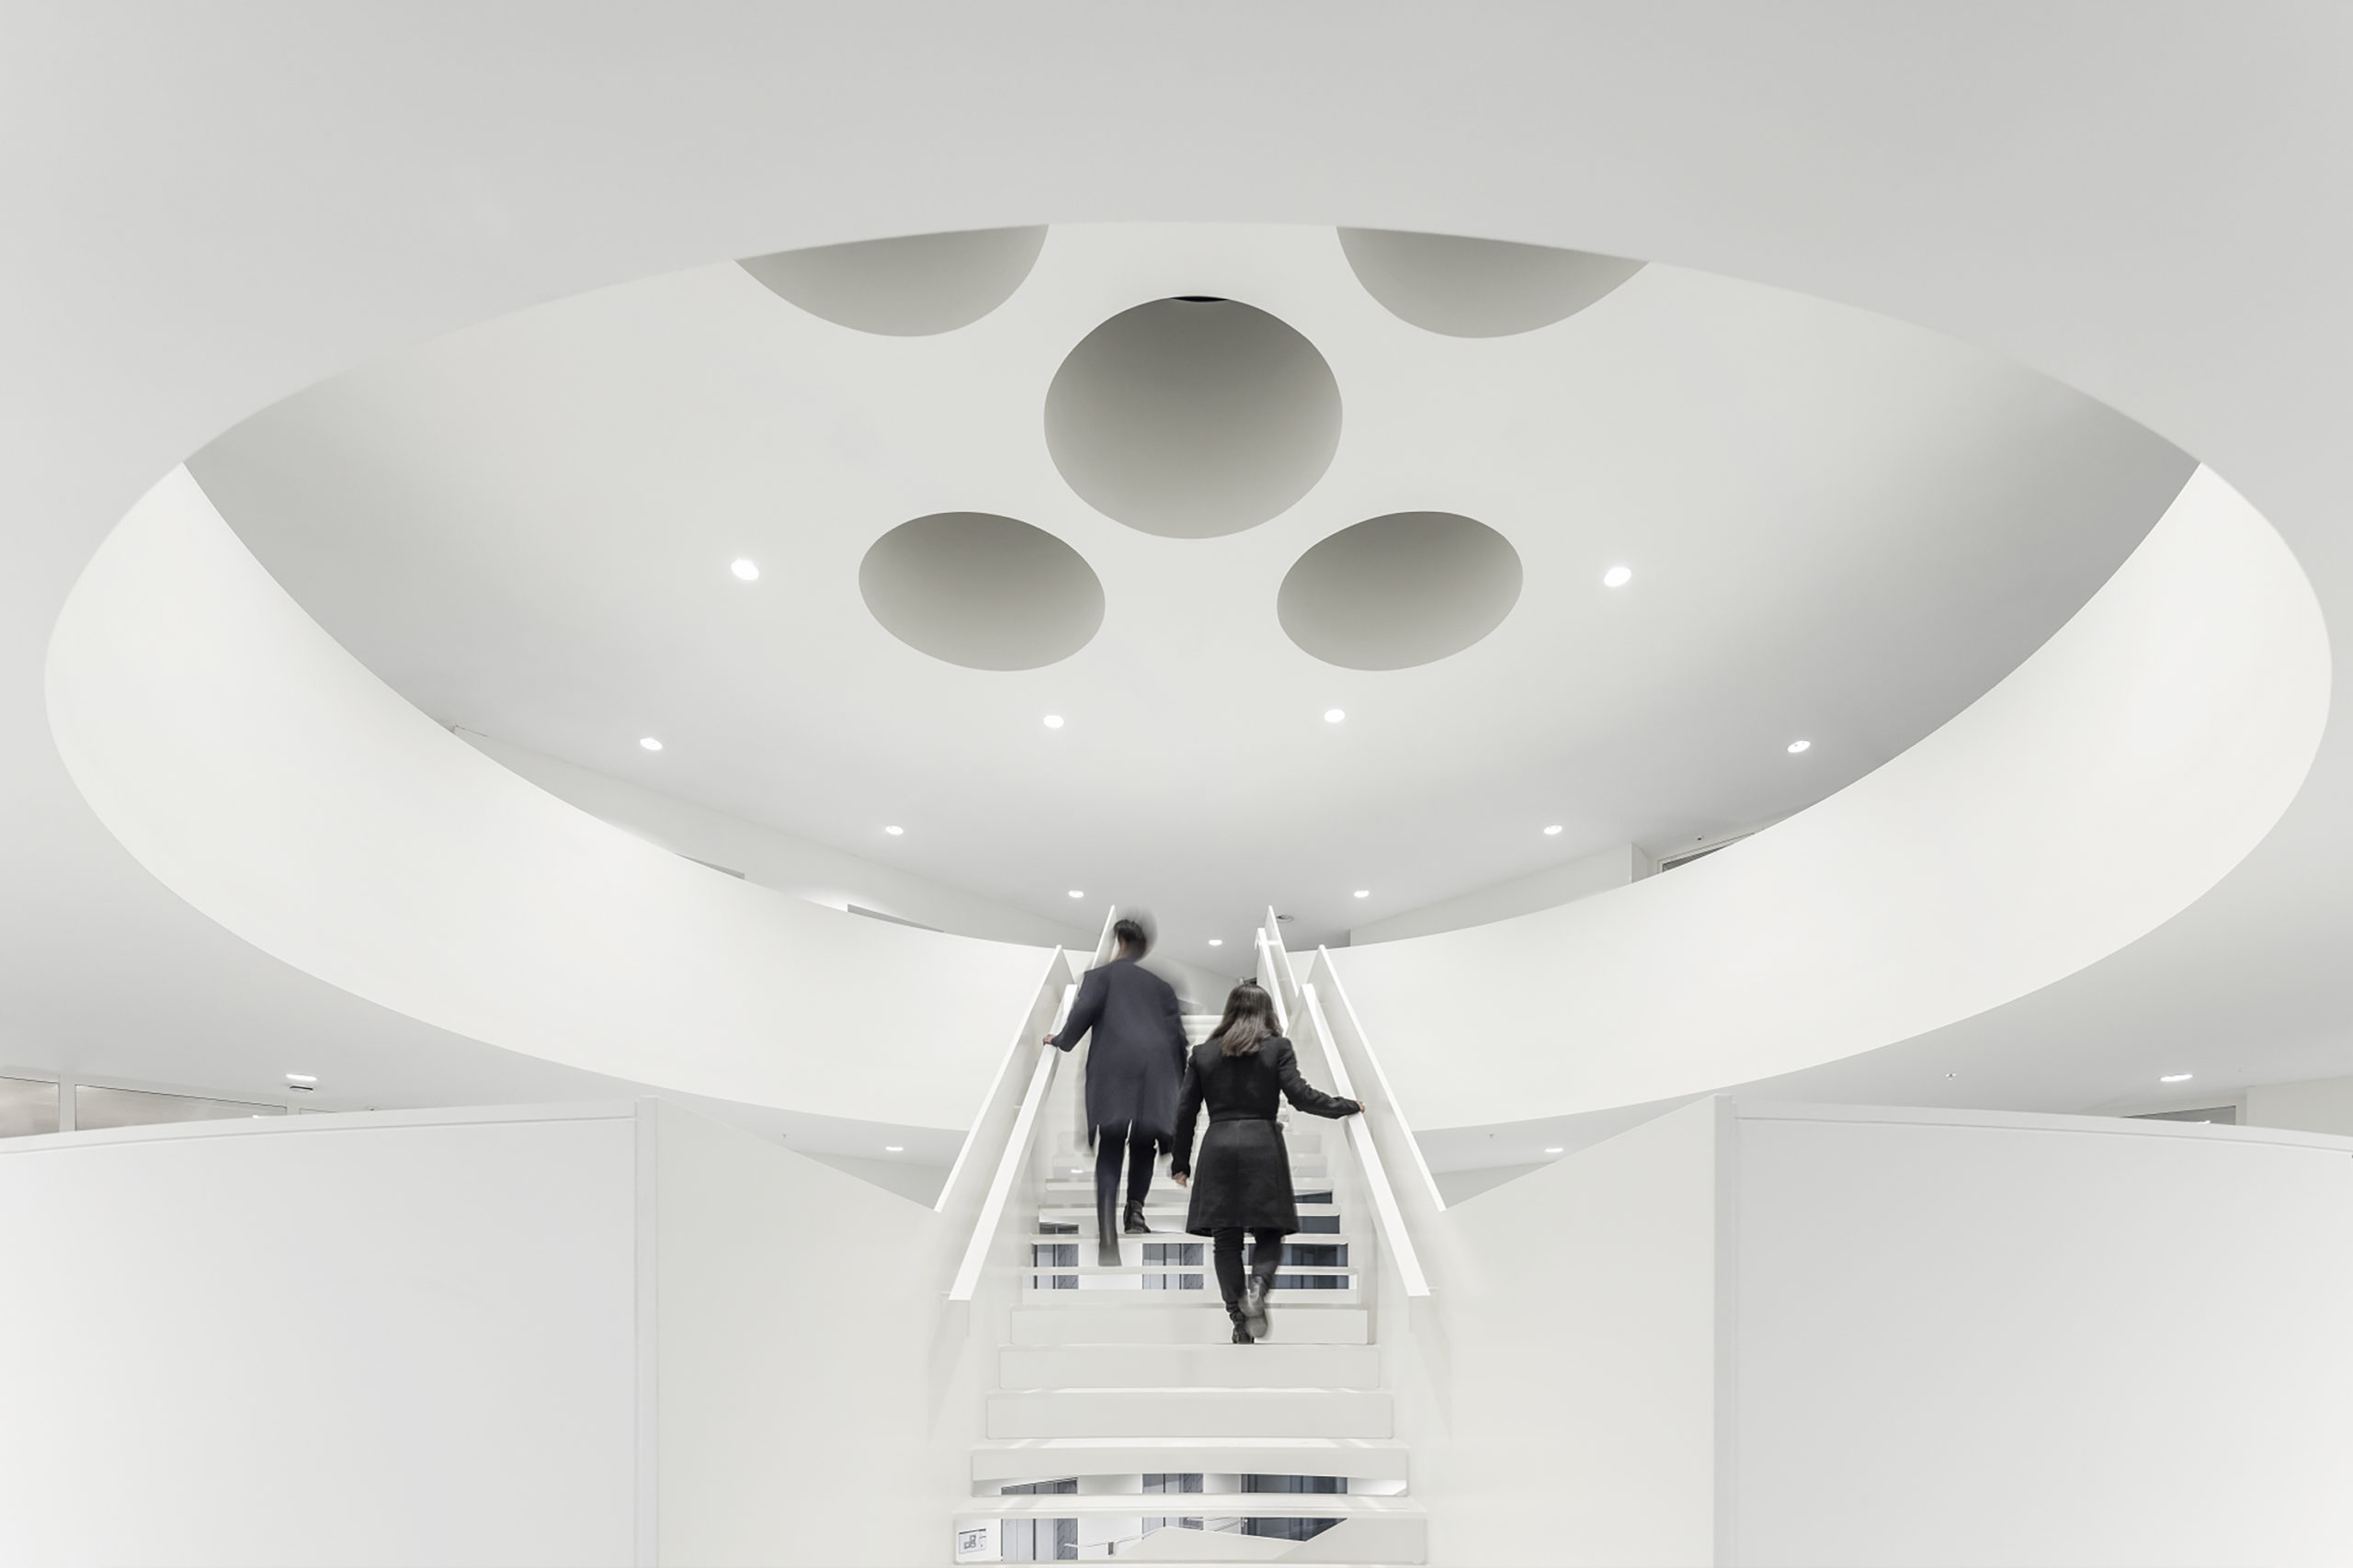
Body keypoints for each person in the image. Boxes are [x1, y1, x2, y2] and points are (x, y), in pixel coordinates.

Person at [1169, 981, 1361, 1344]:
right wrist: (1345, 1106)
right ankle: (1258, 1287)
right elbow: (1301, 1096)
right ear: (1266, 1012)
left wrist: (1181, 1162)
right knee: (1269, 1231)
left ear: (1229, 1012)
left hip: (1218, 1146)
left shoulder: (1204, 1054)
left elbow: (1185, 1111)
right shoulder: (1277, 1048)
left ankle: (1239, 1322)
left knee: (1226, 1239)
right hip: (1262, 1145)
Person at [1046, 916, 1190, 1265]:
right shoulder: (1162, 986)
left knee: (1110, 1147)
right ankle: (1135, 1214)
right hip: (1157, 1077)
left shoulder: (1101, 977)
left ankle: (1107, 1238)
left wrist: (1059, 1039)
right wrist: (1179, 1088)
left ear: (1118, 941)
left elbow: (1080, 1017)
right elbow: (1179, 1041)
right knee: (1144, 1144)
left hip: (1114, 1074)